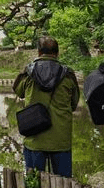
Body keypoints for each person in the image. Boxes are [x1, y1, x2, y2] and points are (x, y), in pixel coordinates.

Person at [13, 35, 80, 177]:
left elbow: (18, 92)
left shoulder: (29, 73)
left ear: (38, 52)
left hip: (35, 137)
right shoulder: (68, 75)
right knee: (64, 183)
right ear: (57, 53)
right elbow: (74, 104)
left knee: (34, 182)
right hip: (61, 139)